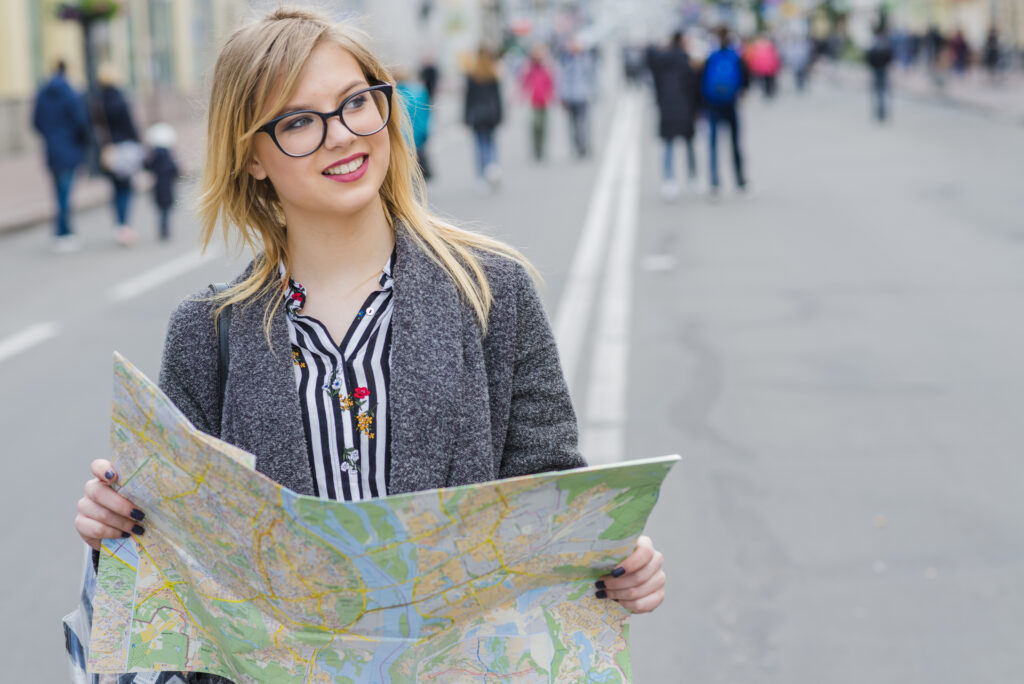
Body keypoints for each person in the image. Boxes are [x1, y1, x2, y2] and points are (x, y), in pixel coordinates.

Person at [72, 8, 669, 681]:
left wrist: (617, 560)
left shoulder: (490, 292)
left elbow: (549, 508)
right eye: (299, 122)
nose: (342, 136)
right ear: (252, 157)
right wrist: (117, 528)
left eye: (357, 103)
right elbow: (182, 572)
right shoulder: (206, 335)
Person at [32, 60, 90, 253]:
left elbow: (35, 123)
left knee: (58, 190)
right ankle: (63, 231)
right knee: (65, 192)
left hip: (51, 147)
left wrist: (50, 135)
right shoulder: (70, 93)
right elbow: (80, 122)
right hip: (69, 147)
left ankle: (61, 230)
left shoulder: (42, 94)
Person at [646, 31, 702, 199]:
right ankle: (692, 178)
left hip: (667, 108)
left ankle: (668, 180)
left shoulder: (662, 60)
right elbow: (694, 88)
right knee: (689, 145)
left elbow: (649, 60)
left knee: (669, 145)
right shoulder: (687, 61)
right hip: (685, 108)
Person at [92, 64, 142, 246]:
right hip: (125, 147)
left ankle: (119, 224)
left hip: (109, 150)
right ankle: (125, 225)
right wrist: (139, 141)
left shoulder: (97, 101)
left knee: (115, 188)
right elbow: (130, 123)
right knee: (127, 187)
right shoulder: (120, 99)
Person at [701, 26, 748, 194]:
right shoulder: (735, 56)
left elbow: (702, 80)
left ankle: (714, 182)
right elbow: (745, 79)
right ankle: (740, 181)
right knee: (735, 144)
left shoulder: (710, 56)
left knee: (713, 145)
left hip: (713, 105)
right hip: (730, 105)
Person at [463, 45, 504, 191]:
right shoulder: (493, 73)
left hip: (477, 115)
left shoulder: (473, 74)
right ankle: (493, 169)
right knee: (491, 142)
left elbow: (468, 99)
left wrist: (466, 118)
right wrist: (500, 115)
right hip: (491, 115)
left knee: (480, 145)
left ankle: (482, 175)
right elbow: (497, 97)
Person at [558, 37, 597, 159]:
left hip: (582, 96)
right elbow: (562, 80)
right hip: (570, 97)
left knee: (583, 123)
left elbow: (592, 78)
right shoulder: (565, 61)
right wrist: (563, 96)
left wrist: (593, 92)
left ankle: (584, 145)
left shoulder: (585, 60)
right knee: (573, 124)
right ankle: (576, 146)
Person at [143, 122, 180, 241]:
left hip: (157, 188)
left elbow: (146, 166)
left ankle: (162, 229)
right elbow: (175, 170)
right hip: (167, 188)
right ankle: (164, 229)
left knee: (161, 211)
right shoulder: (168, 157)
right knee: (165, 211)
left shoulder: (153, 157)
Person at [520, 43, 556, 162]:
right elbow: (524, 82)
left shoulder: (546, 67)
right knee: (535, 124)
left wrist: (550, 96)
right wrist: (524, 95)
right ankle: (536, 149)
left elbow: (551, 82)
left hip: (543, 100)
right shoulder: (529, 67)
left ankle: (541, 149)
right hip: (533, 100)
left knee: (543, 126)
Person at [395, 68, 433, 180]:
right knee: (418, 165)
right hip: (418, 135)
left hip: (401, 137)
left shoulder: (394, 94)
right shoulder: (420, 91)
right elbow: (426, 113)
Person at [865, 24, 894, 122]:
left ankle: (879, 111)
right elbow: (889, 56)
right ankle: (881, 111)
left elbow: (869, 57)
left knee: (878, 92)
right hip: (882, 69)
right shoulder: (884, 43)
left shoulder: (874, 44)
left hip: (877, 70)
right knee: (881, 92)